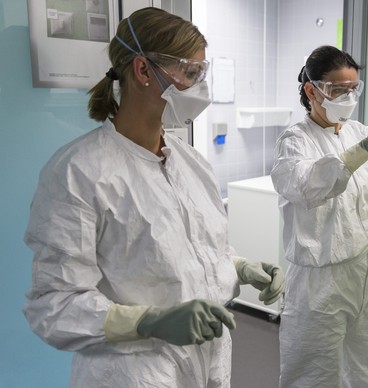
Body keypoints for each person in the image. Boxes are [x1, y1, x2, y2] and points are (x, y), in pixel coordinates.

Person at [22, 7, 284, 388]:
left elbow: (193, 250)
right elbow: (54, 304)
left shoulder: (191, 162)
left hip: (208, 361)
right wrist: (150, 321)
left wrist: (240, 267)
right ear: (144, 71)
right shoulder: (78, 173)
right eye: (191, 73)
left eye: (202, 73)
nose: (201, 87)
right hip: (132, 371)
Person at [271, 45, 368, 388]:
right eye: (337, 90)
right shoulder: (295, 140)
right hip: (319, 282)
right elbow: (307, 185)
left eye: (353, 89)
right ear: (312, 90)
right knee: (314, 371)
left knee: (364, 364)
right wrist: (366, 149)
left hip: (364, 271)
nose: (347, 98)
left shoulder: (359, 132)